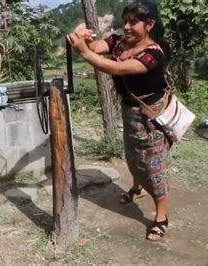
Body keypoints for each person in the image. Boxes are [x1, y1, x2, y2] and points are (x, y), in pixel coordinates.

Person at [67, 1, 172, 241]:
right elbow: (96, 45)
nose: (126, 26)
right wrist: (83, 35)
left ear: (149, 25)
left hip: (150, 116)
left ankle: (161, 216)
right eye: (125, 21)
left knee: (154, 164)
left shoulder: (153, 54)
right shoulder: (119, 42)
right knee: (133, 154)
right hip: (130, 111)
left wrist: (84, 52)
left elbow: (117, 68)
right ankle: (137, 188)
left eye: (133, 22)